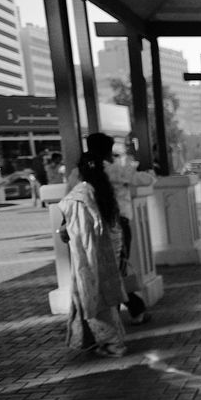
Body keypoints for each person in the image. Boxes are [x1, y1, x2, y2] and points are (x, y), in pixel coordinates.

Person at [77, 132, 154, 324]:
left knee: (100, 272)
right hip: (116, 225)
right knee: (118, 270)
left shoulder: (78, 173)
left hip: (89, 227)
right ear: (107, 150)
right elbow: (146, 179)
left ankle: (120, 313)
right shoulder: (113, 171)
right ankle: (128, 311)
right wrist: (150, 171)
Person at [59, 149, 127, 357]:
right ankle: (98, 340)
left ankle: (113, 343)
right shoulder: (102, 190)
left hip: (88, 255)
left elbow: (76, 229)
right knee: (104, 297)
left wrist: (63, 230)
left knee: (93, 298)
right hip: (108, 252)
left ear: (79, 171)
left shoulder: (80, 194)